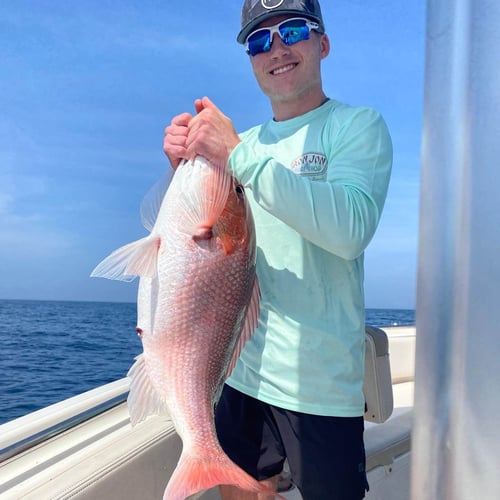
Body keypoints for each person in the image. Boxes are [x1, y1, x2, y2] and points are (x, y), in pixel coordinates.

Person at [163, 0, 393, 498]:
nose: (277, 48)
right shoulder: (240, 144)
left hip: (322, 386)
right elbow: (199, 238)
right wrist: (181, 170)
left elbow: (352, 228)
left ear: (323, 44)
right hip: (241, 372)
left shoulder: (357, 126)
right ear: (251, 59)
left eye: (292, 30)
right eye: (259, 40)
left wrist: (238, 155)